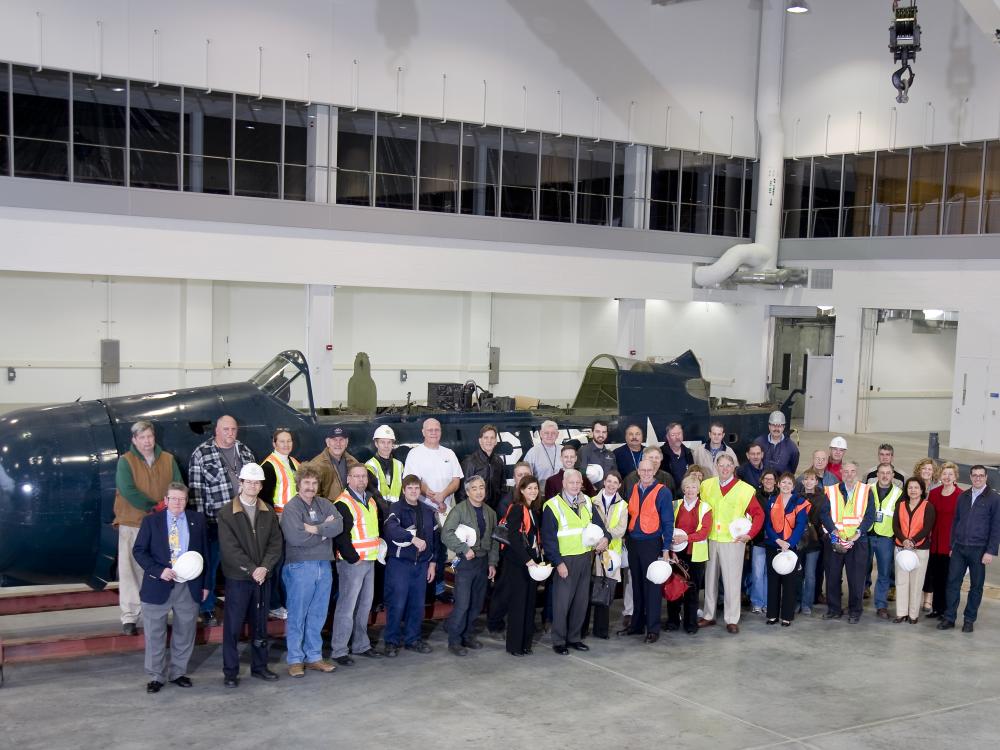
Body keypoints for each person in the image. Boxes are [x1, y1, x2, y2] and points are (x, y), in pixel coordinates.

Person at [131, 482, 207, 693]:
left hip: (188, 586)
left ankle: (178, 673)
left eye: (181, 499)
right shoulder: (151, 522)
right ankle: (156, 676)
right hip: (158, 585)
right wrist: (157, 570)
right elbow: (139, 551)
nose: (177, 503)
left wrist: (206, 584)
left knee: (185, 631)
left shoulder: (197, 521)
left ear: (186, 500)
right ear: (165, 501)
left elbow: (206, 554)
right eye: (173, 498)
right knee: (155, 633)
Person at [217, 462, 283, 687]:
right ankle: (230, 672)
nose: (253, 486)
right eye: (249, 482)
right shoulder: (227, 513)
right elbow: (229, 548)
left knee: (260, 626)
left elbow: (276, 543)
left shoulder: (267, 511)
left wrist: (264, 567)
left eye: (257, 482)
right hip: (239, 579)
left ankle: (260, 667)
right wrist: (252, 569)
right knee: (233, 627)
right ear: (241, 483)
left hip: (262, 577)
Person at [114, 420, 182, 636]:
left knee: (159, 570)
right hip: (133, 523)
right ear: (134, 440)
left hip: (162, 525)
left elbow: (178, 485)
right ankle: (130, 617)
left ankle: (158, 614)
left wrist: (169, 506)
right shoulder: (125, 461)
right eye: (142, 438)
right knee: (129, 571)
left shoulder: (168, 459)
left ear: (155, 437)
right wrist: (154, 507)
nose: (147, 441)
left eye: (149, 437)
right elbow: (127, 490)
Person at [189, 415, 256, 627]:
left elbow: (254, 484)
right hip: (214, 522)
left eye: (233, 429)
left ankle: (241, 607)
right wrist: (200, 525)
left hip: (243, 522)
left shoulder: (245, 452)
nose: (230, 433)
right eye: (225, 429)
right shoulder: (201, 454)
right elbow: (196, 492)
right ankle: (206, 608)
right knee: (210, 566)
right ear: (216, 431)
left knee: (241, 567)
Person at [278, 463, 342, 677]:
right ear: (299, 484)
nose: (311, 487)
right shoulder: (292, 508)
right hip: (299, 566)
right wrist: (325, 531)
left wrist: (314, 529)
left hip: (324, 565)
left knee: (318, 613)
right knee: (298, 614)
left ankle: (314, 656)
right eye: (307, 482)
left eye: (314, 483)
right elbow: (296, 538)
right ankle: (295, 659)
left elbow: (339, 525)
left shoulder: (325, 504)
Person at [541, 469, 610, 655]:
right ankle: (559, 640)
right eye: (571, 483)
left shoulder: (587, 501)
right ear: (564, 483)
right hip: (565, 561)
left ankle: (574, 638)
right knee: (562, 603)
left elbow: (600, 526)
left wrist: (606, 538)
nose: (575, 486)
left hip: (585, 558)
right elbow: (548, 540)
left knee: (581, 602)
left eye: (578, 483)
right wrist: (558, 563)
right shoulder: (552, 506)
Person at [699, 454, 762, 634]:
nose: (725, 469)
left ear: (734, 467)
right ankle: (709, 614)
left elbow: (758, 514)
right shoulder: (706, 486)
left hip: (733, 541)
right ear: (716, 466)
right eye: (721, 465)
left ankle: (732, 618)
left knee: (732, 581)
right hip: (711, 539)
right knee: (709, 579)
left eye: (729, 466)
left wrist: (749, 535)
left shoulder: (745, 489)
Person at [403, 418, 464, 603]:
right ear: (423, 432)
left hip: (445, 510)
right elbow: (412, 479)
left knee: (442, 552)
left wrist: (443, 495)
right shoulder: (415, 454)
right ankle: (421, 590)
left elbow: (456, 480)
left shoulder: (449, 453)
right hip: (422, 511)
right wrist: (431, 496)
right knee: (425, 551)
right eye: (430, 429)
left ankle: (438, 589)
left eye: (437, 429)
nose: (433, 432)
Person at [330, 463, 384, 663]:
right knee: (347, 607)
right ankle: (340, 650)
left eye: (363, 476)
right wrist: (352, 557)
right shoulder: (343, 502)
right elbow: (340, 535)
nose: (361, 480)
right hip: (352, 563)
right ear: (348, 479)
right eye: (357, 476)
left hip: (369, 561)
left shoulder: (370, 500)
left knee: (364, 606)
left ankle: (361, 645)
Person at [938, 466, 1000, 633]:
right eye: (975, 476)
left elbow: (996, 527)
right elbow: (956, 521)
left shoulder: (994, 499)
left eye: (981, 476)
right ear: (971, 477)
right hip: (959, 547)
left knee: (976, 586)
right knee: (952, 583)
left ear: (986, 477)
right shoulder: (963, 496)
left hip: (979, 550)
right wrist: (952, 545)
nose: (977, 478)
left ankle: (969, 620)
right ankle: (949, 617)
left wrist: (991, 551)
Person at [441, 475, 499, 656]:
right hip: (466, 563)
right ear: (467, 492)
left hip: (482, 562)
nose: (479, 491)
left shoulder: (490, 512)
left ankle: (467, 635)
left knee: (476, 603)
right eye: (474, 488)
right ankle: (455, 640)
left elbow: (494, 540)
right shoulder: (459, 510)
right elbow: (446, 534)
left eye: (481, 487)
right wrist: (463, 548)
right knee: (463, 603)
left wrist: (492, 562)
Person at [381, 474, 437, 657]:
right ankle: (391, 641)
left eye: (416, 488)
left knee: (417, 604)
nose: (413, 491)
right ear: (404, 490)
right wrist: (411, 538)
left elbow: (435, 540)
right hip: (400, 564)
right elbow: (391, 529)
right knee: (396, 604)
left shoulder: (428, 511)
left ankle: (413, 639)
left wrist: (433, 562)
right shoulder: (396, 508)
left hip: (421, 565)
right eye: (409, 488)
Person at [619, 459, 674, 644]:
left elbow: (668, 522)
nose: (646, 473)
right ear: (638, 470)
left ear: (655, 471)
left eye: (649, 470)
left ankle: (653, 628)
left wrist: (666, 549)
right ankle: (636, 625)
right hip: (634, 543)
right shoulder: (634, 488)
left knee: (652, 586)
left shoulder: (663, 492)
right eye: (643, 470)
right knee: (637, 585)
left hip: (652, 543)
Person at [820, 461, 875, 624]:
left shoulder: (866, 491)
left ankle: (855, 611)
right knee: (832, 576)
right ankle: (833, 609)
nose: (849, 475)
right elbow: (824, 513)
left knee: (856, 578)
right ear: (841, 473)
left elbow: (870, 515)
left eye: (852, 472)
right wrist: (833, 531)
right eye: (846, 472)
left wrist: (859, 533)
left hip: (857, 541)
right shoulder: (831, 490)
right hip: (836, 539)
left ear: (856, 473)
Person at [498, 475, 543, 656]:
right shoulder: (517, 508)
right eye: (529, 488)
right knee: (518, 605)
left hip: (530, 564)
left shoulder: (532, 509)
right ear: (521, 490)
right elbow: (514, 538)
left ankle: (526, 644)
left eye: (535, 488)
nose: (533, 491)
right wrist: (528, 560)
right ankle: (515, 646)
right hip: (518, 565)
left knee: (529, 604)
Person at [260, 428, 301, 619]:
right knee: (277, 563)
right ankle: (274, 604)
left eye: (289, 441)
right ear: (274, 444)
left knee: (290, 563)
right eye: (282, 441)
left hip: (295, 520)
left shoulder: (294, 462)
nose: (286, 444)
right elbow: (265, 499)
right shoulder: (269, 466)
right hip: (278, 521)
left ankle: (286, 601)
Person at [666, 475, 712, 635]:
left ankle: (690, 623)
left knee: (692, 590)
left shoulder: (705, 508)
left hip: (695, 555)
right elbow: (668, 529)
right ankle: (672, 620)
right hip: (676, 554)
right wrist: (671, 551)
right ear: (683, 489)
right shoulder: (674, 505)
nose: (690, 490)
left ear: (698, 490)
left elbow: (704, 532)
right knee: (674, 587)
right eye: (688, 487)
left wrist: (686, 537)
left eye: (694, 487)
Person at [763, 473, 809, 626]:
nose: (786, 485)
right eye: (783, 482)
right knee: (773, 581)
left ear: (794, 486)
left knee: (790, 583)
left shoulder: (800, 502)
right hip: (773, 546)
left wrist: (788, 544)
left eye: (789, 483)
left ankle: (787, 616)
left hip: (791, 548)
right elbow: (768, 525)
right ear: (778, 484)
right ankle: (772, 615)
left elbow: (800, 526)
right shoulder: (771, 501)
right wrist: (777, 540)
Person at [893, 476, 936, 624]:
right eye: (910, 487)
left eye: (916, 487)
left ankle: (913, 615)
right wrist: (904, 540)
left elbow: (927, 527)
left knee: (916, 582)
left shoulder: (928, 506)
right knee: (901, 580)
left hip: (920, 549)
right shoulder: (900, 505)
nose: (913, 490)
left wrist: (912, 541)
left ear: (922, 490)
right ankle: (901, 613)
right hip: (901, 548)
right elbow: (895, 526)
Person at [590, 470, 627, 640]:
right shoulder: (591, 501)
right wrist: (597, 542)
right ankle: (583, 628)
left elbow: (621, 528)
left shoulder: (623, 505)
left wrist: (606, 538)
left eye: (615, 482)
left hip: (611, 554)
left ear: (619, 485)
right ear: (604, 482)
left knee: (605, 590)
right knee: (590, 588)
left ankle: (601, 630)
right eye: (609, 481)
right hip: (593, 551)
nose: (612, 485)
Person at [866, 463, 903, 618]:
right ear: (877, 474)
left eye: (888, 473)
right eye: (882, 472)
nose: (885, 476)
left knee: (884, 573)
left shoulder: (899, 493)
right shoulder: (868, 489)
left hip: (886, 538)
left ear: (893, 475)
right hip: (866, 536)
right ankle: (856, 603)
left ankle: (881, 605)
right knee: (861, 570)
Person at [925, 462, 961, 618]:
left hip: (950, 543)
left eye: (950, 474)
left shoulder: (961, 495)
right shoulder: (933, 493)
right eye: (944, 474)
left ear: (955, 477)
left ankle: (947, 610)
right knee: (936, 577)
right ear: (940, 476)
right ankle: (937, 608)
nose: (947, 477)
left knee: (949, 579)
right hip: (935, 542)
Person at [748, 470, 777, 615]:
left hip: (774, 541)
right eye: (766, 479)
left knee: (769, 573)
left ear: (775, 481)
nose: (768, 481)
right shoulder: (755, 496)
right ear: (762, 481)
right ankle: (757, 602)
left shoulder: (780, 497)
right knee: (758, 573)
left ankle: (767, 602)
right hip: (759, 540)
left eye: (771, 479)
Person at [458, 424, 507, 510]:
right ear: (480, 441)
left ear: (496, 441)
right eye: (486, 438)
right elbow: (462, 493)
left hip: (495, 511)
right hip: (475, 510)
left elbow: (502, 487)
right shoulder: (470, 462)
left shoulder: (498, 461)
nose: (489, 441)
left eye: (492, 438)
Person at [796, 469, 825, 615]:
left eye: (812, 479)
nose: (809, 482)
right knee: (798, 573)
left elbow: (824, 518)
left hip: (814, 542)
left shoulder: (822, 498)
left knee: (810, 574)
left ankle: (807, 603)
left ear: (816, 482)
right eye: (806, 479)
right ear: (802, 482)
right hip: (799, 541)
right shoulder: (797, 497)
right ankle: (797, 601)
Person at [311, 425, 361, 503]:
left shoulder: (353, 462)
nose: (338, 444)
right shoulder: (316, 465)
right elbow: (312, 496)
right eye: (334, 440)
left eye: (341, 440)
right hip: (329, 511)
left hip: (352, 509)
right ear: (328, 442)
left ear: (346, 442)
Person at [365, 425, 405, 515]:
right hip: (379, 513)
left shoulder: (399, 465)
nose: (386, 446)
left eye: (389, 442)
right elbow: (372, 492)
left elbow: (403, 490)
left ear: (392, 444)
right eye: (382, 442)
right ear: (376, 444)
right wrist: (388, 512)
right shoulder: (370, 465)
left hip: (398, 512)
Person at [753, 411, 799, 476]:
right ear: (769, 426)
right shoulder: (759, 442)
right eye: (774, 425)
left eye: (779, 426)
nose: (776, 429)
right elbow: (752, 463)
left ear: (783, 427)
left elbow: (792, 469)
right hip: (761, 481)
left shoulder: (792, 448)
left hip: (781, 484)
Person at [578, 420, 617, 492]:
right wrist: (592, 490)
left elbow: (615, 476)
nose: (601, 435)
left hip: (608, 495)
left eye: (604, 432)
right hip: (589, 496)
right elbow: (581, 475)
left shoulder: (611, 454)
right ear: (592, 433)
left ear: (607, 434)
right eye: (598, 431)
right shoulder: (584, 451)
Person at [663, 422, 694, 489]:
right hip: (668, 493)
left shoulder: (689, 453)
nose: (677, 437)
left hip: (687, 493)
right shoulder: (661, 454)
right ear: (667, 437)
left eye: (679, 434)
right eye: (673, 435)